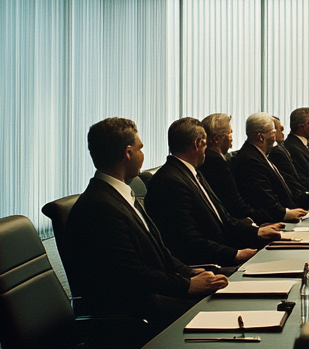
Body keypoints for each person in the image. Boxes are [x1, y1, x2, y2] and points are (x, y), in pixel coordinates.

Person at [64, 117, 228, 333]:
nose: (143, 154)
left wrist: (188, 272)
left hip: (157, 300)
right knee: (225, 310)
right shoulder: (99, 207)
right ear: (128, 153)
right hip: (136, 317)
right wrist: (188, 285)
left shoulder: (122, 194)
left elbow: (160, 252)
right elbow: (133, 275)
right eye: (140, 149)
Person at [144, 117, 284, 268]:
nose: (207, 150)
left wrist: (256, 232)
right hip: (207, 265)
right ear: (197, 144)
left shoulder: (191, 172)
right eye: (205, 143)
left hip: (221, 252)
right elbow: (188, 241)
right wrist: (235, 254)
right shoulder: (170, 181)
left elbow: (224, 219)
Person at [230, 112, 309, 222]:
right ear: (261, 137)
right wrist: (286, 214)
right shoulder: (250, 160)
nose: (275, 138)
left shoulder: (259, 154)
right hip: (273, 221)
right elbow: (263, 197)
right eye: (273, 133)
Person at [199, 112, 272, 226]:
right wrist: (265, 216)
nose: (231, 138)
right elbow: (234, 205)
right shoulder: (217, 164)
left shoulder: (209, 160)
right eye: (230, 133)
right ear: (216, 139)